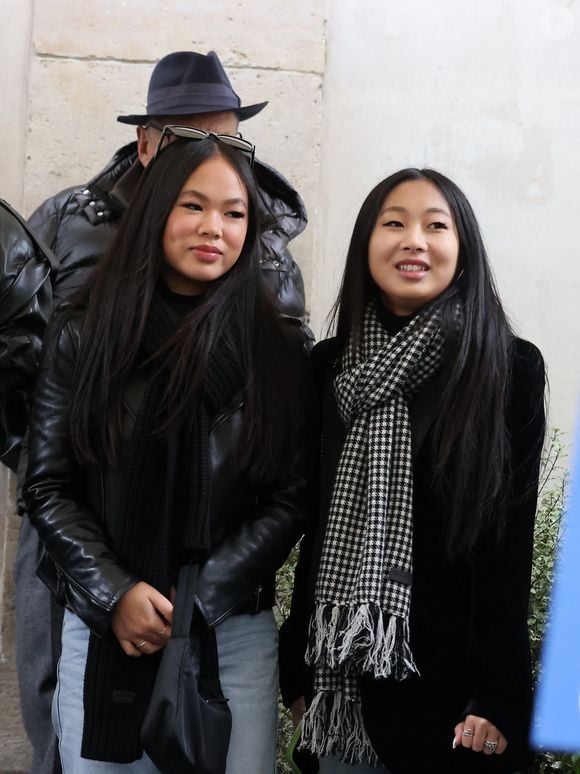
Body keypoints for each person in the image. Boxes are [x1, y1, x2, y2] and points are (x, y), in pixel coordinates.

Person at [15, 49, 309, 774]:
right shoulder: (79, 270)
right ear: (151, 149)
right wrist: (111, 589)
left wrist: (200, 598)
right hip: (101, 581)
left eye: (233, 206)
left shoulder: (268, 310)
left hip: (223, 615)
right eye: (193, 197)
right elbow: (44, 468)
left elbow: (291, 485)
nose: (215, 223)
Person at [279, 168, 546, 774]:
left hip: (456, 701)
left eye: (435, 225)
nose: (414, 240)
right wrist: (296, 661)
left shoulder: (507, 370)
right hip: (345, 690)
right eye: (393, 223)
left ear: (463, 246)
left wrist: (499, 697)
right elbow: (319, 526)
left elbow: (509, 549)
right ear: (365, 244)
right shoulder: (329, 369)